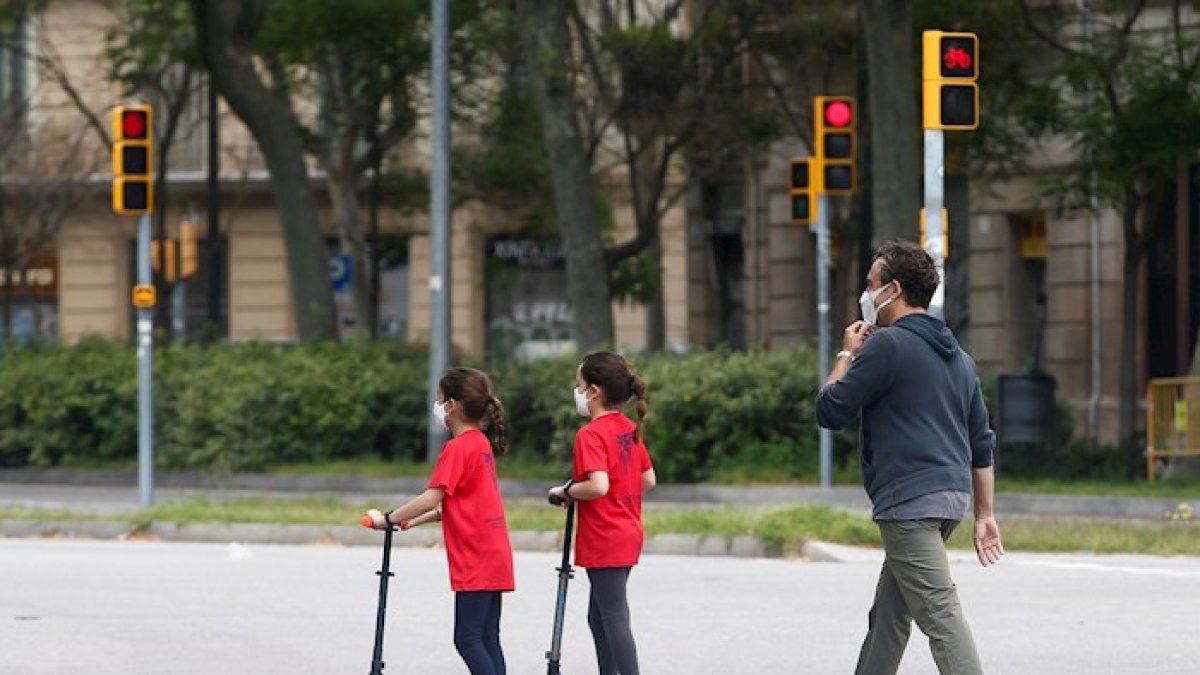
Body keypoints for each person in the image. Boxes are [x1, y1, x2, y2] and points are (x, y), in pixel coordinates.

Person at [815, 241, 1003, 675]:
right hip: (949, 500)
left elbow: (830, 410)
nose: (865, 294)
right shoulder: (959, 358)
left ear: (893, 289)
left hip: (909, 502)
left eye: (870, 285)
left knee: (940, 614)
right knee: (890, 619)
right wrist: (985, 513)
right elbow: (982, 441)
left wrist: (846, 353)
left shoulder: (888, 347)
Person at [365, 367, 513, 675]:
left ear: (453, 406)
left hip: (475, 555)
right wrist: (414, 521)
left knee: (467, 639)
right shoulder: (480, 444)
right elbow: (461, 503)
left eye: (440, 398)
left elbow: (433, 495)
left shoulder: (457, 448)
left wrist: (388, 518)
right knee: (487, 637)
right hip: (493, 551)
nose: (437, 404)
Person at [548, 351, 657, 675]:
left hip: (605, 536)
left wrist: (566, 491)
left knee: (614, 618)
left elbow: (597, 486)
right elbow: (648, 479)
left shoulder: (590, 434)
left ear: (594, 391)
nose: (578, 392)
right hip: (629, 531)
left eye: (579, 385)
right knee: (599, 617)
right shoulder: (627, 428)